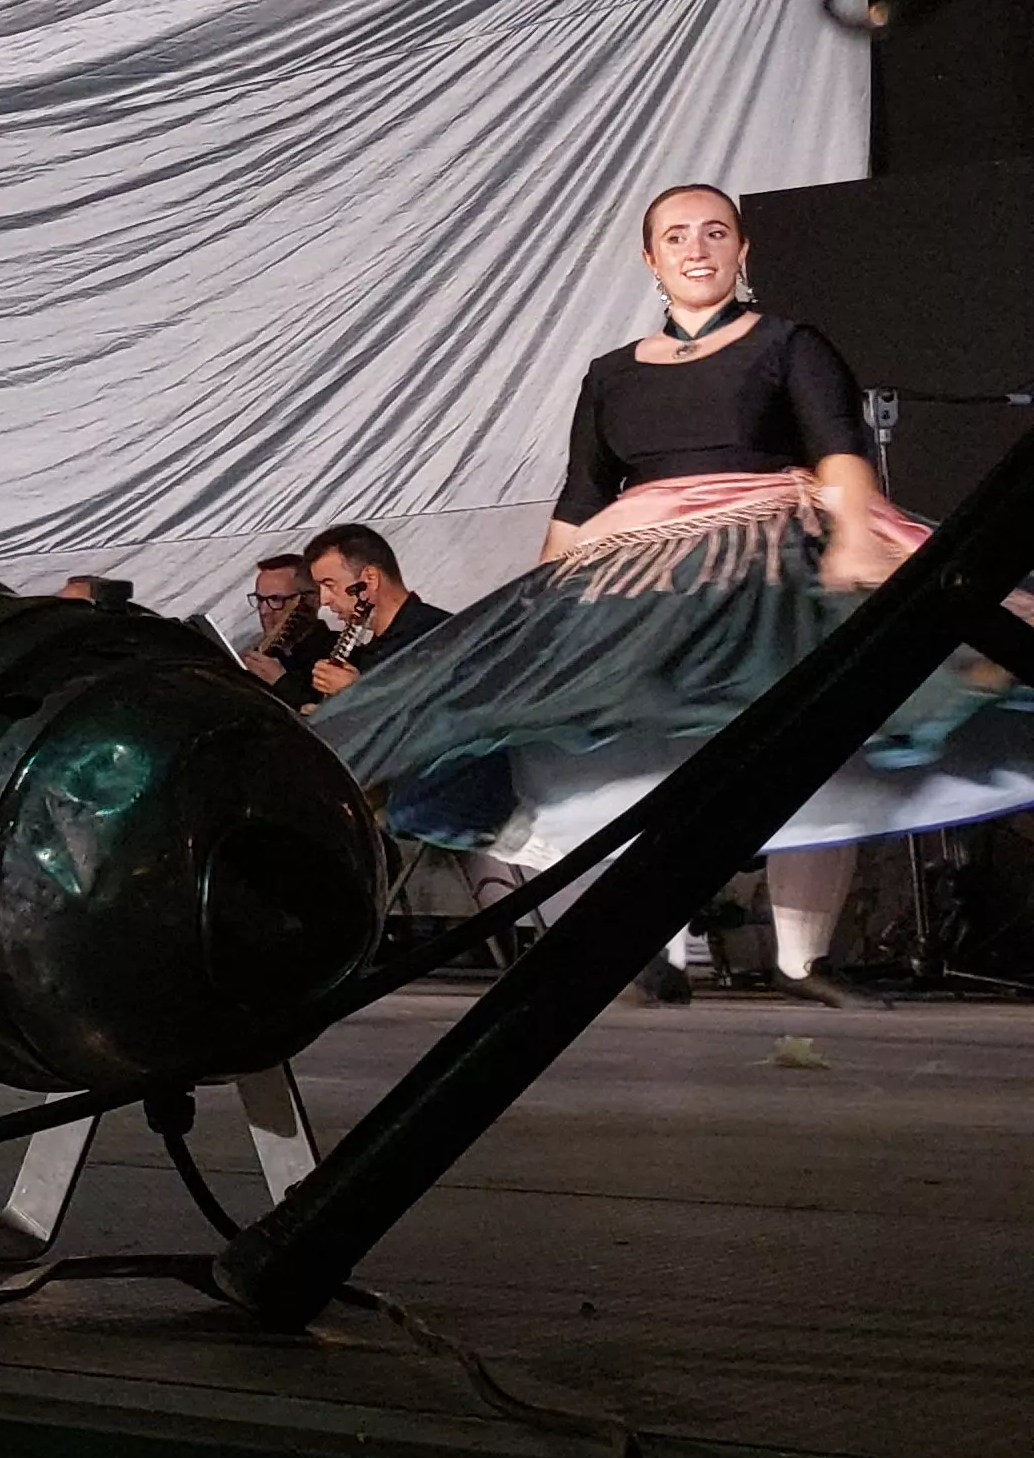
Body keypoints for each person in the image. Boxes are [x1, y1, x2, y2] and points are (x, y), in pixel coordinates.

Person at [313, 184, 1034, 1009]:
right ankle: (659, 946)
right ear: (650, 259)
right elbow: (583, 497)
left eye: (715, 233)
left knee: (815, 744)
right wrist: (539, 614)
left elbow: (839, 447)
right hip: (647, 567)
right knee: (645, 741)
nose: (697, 249)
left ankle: (804, 958)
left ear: (742, 250)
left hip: (769, 556)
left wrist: (858, 538)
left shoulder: (788, 343)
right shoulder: (612, 375)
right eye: (677, 237)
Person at [301, 524, 448, 697]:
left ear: (370, 579)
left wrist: (358, 693)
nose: (324, 600)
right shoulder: (368, 651)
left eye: (329, 585)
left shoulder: (440, 638)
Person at [237, 554, 334, 707]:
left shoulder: (338, 653)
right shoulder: (259, 653)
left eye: (276, 599)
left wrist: (281, 682)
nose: (264, 611)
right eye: (260, 600)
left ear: (313, 599)